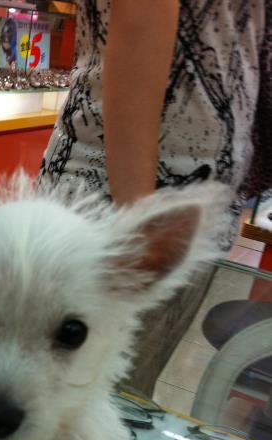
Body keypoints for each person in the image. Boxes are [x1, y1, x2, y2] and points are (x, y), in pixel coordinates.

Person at [39, 0, 272, 397]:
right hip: (129, 206)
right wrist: (143, 238)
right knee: (82, 402)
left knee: (107, 398)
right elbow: (138, 21)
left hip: (178, 208)